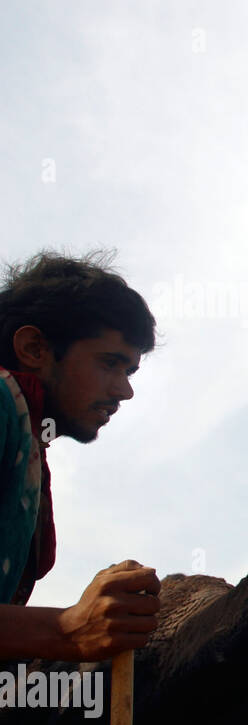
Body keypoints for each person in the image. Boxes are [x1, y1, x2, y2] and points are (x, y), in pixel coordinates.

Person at [0, 251, 161, 663]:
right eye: (110, 363)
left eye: (130, 372)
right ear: (35, 348)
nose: (125, 391)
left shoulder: (25, 432)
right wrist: (66, 630)